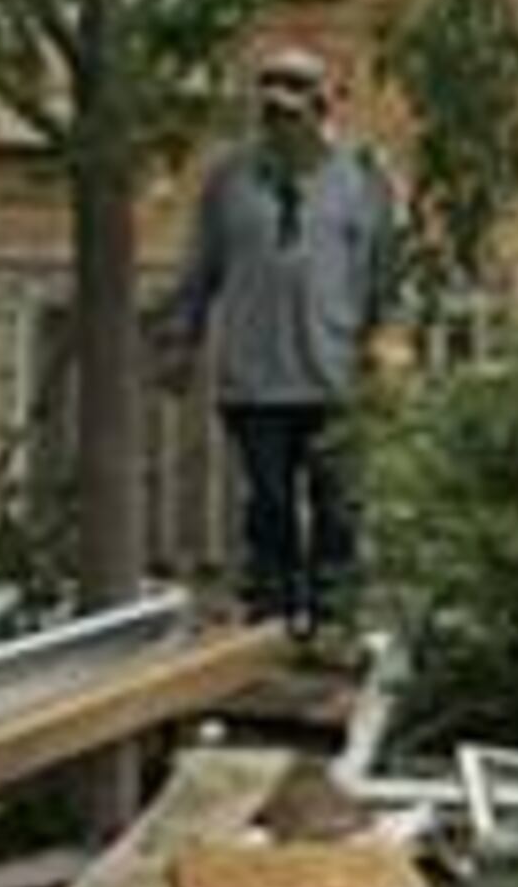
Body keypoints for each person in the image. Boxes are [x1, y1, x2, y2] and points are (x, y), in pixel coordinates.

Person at [155, 44, 402, 641]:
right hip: (254, 375)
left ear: (321, 104)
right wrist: (180, 341)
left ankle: (334, 620)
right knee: (267, 508)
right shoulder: (229, 180)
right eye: (270, 105)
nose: (280, 118)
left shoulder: (362, 177)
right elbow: (200, 268)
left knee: (338, 507)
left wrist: (388, 346)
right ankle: (270, 620)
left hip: (335, 373)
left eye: (293, 103)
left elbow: (385, 271)